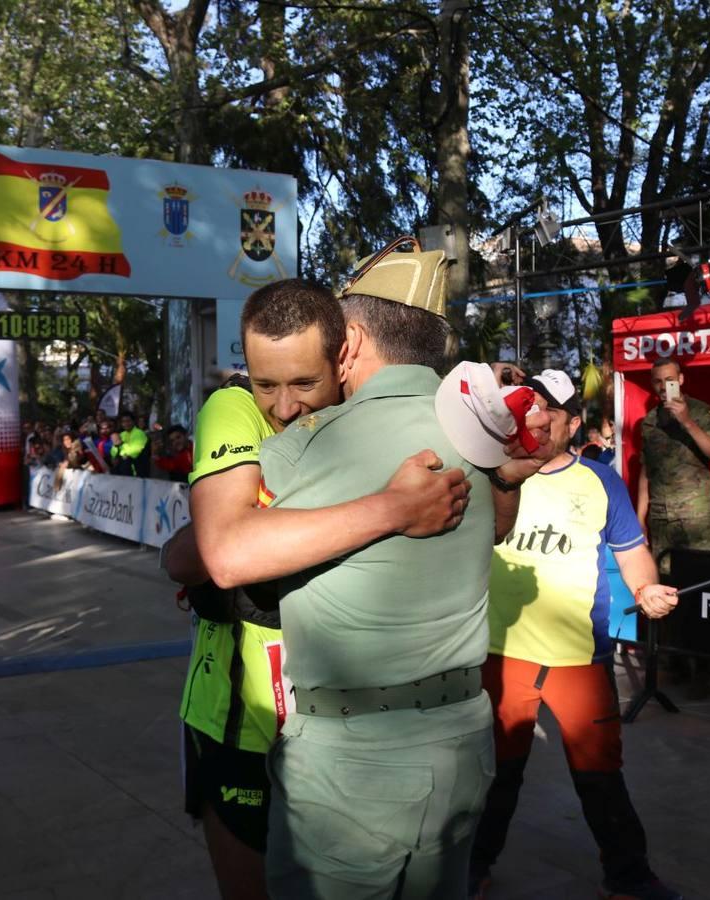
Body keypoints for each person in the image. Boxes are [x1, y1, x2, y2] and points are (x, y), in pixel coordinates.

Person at [161, 277, 477, 900]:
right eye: (265, 383)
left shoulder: (369, 418)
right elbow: (220, 554)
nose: (281, 407)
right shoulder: (232, 408)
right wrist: (391, 509)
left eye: (303, 383)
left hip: (346, 726)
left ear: (343, 357)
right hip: (244, 717)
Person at [252, 242, 551, 899]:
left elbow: (212, 551)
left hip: (351, 763)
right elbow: (496, 527)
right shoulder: (478, 440)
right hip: (461, 740)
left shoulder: (305, 445)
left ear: (351, 339)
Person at [468, 369, 682, 900]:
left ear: (574, 423)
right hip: (500, 653)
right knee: (495, 777)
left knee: (601, 776)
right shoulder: (492, 473)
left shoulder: (601, 481)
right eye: (531, 408)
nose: (537, 420)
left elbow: (632, 553)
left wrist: (647, 589)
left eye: (551, 412)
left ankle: (628, 877)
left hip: (579, 659)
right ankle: (471, 869)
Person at [635, 357, 710, 698]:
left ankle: (704, 670)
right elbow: (647, 471)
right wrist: (639, 517)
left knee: (698, 593)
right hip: (661, 519)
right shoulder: (649, 423)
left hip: (695, 520)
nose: (662, 387)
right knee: (665, 591)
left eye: (669, 379)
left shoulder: (702, 412)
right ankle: (676, 663)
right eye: (657, 381)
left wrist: (687, 422)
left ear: (681, 379)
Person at [109, 410, 150, 477]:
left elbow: (133, 453)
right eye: (123, 422)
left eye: (128, 421)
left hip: (136, 473)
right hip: (122, 471)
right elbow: (113, 451)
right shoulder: (122, 434)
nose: (126, 424)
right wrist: (114, 456)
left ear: (133, 422)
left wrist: (120, 443)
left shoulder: (139, 433)